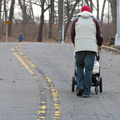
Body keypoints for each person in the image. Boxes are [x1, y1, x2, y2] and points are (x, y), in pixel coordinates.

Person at [71, 6, 103, 98]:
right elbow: (99, 35)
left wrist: (75, 44)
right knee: (89, 69)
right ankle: (86, 92)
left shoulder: (76, 21)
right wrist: (99, 44)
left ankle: (80, 86)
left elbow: (72, 34)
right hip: (91, 48)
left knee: (80, 67)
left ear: (80, 12)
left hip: (79, 47)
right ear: (90, 12)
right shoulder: (95, 21)